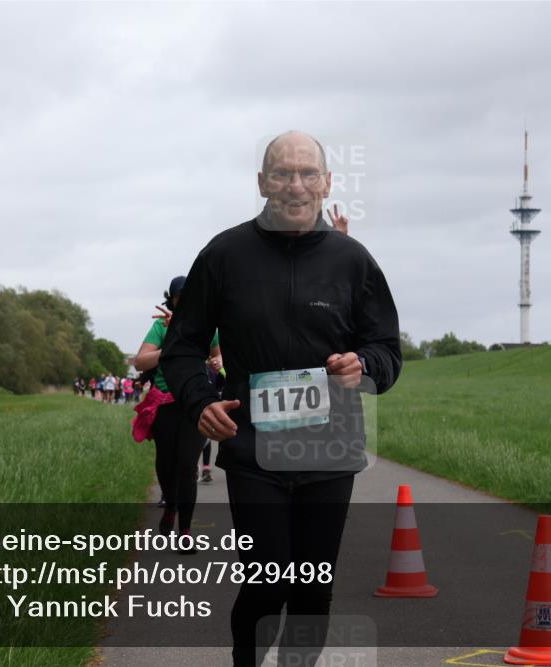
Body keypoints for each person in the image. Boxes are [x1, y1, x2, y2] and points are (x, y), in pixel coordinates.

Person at [161, 131, 401, 665]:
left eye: (308, 173)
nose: (296, 185)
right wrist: (201, 401)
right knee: (268, 585)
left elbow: (386, 350)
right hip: (254, 450)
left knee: (312, 591)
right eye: (283, 173)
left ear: (328, 182)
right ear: (262, 182)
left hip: (331, 448)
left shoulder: (353, 260)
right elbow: (182, 349)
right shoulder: (224, 255)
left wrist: (363, 366)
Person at [135, 276, 221, 543]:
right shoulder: (161, 327)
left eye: (188, 296)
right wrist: (173, 342)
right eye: (178, 297)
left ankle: (185, 531)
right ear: (171, 300)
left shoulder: (208, 327)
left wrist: (217, 360)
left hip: (195, 403)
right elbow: (140, 362)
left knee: (186, 466)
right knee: (166, 463)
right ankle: (170, 505)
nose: (183, 302)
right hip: (165, 403)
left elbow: (218, 354)